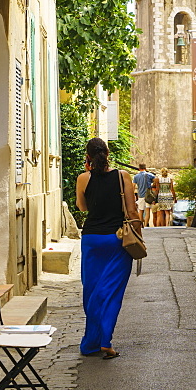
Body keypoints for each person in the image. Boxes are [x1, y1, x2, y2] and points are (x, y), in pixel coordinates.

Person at [76, 137, 141, 359]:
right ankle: (105, 341)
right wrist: (140, 236)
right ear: (107, 154)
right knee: (111, 292)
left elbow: (83, 207)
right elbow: (132, 211)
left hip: (91, 240)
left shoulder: (83, 179)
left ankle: (91, 343)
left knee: (92, 291)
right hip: (117, 240)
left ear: (88, 157)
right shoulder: (123, 176)